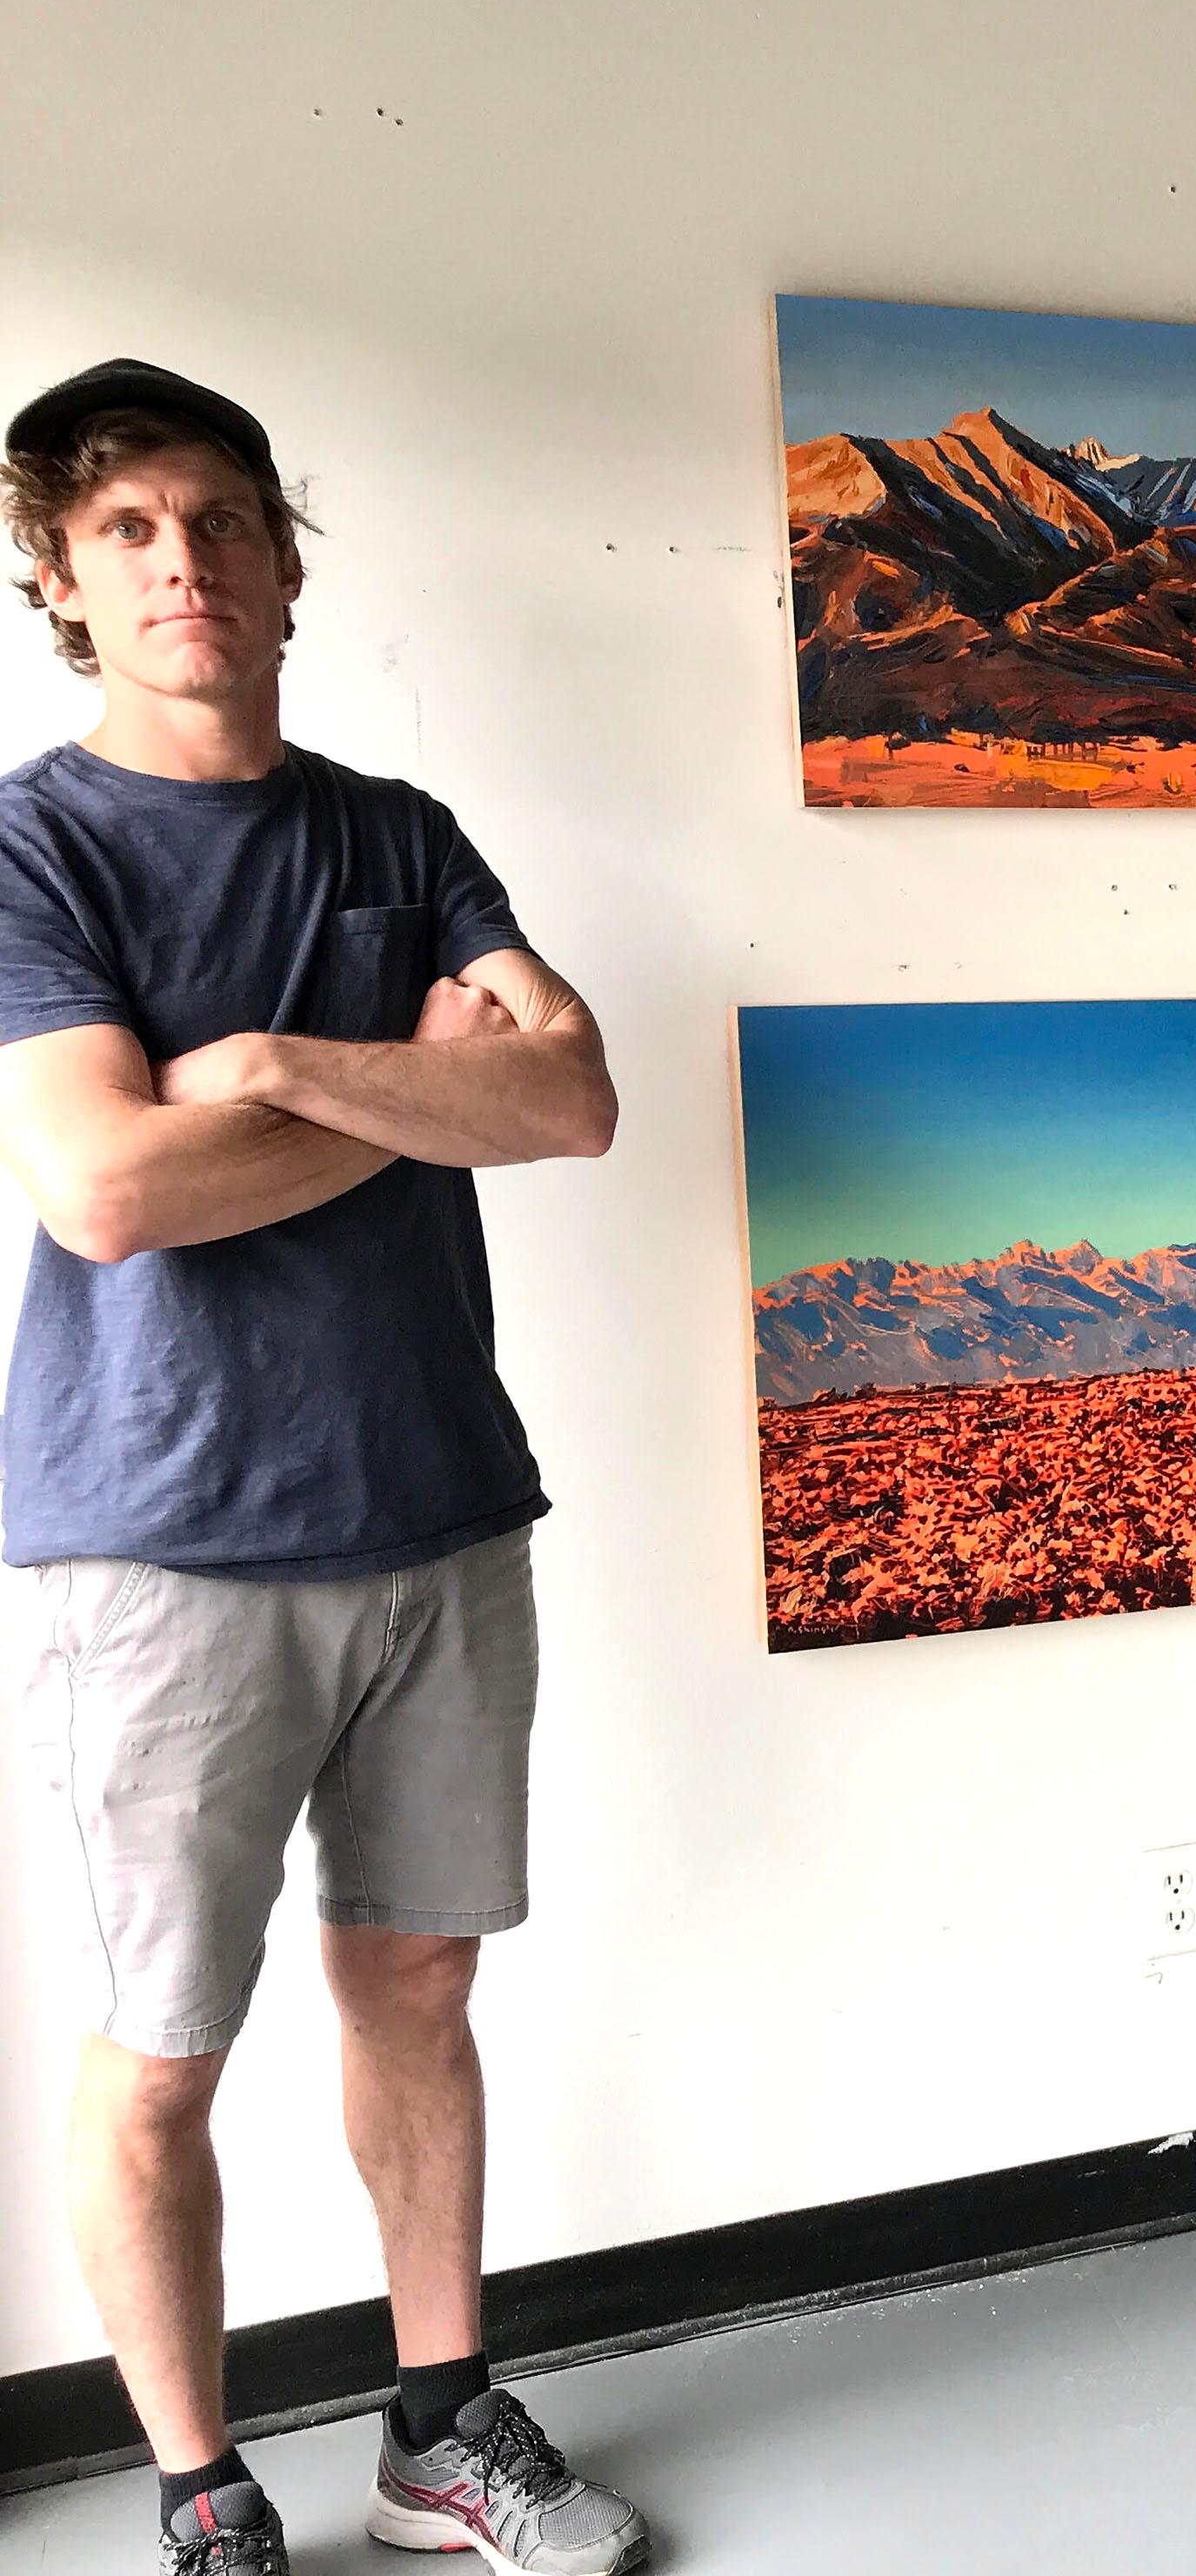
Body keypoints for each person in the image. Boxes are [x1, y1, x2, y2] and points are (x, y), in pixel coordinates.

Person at [0, 362, 645, 2576]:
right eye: (126, 535)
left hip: (442, 1503)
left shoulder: (398, 831)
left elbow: (570, 1107)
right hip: (159, 1538)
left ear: (285, 554)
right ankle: (199, 2488)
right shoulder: (32, 844)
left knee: (419, 1987)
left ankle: (439, 2425)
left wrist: (267, 1063)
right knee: (161, 2047)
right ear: (66, 584)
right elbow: (101, 1189)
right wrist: (406, 1089)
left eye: (219, 519)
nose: (185, 564)